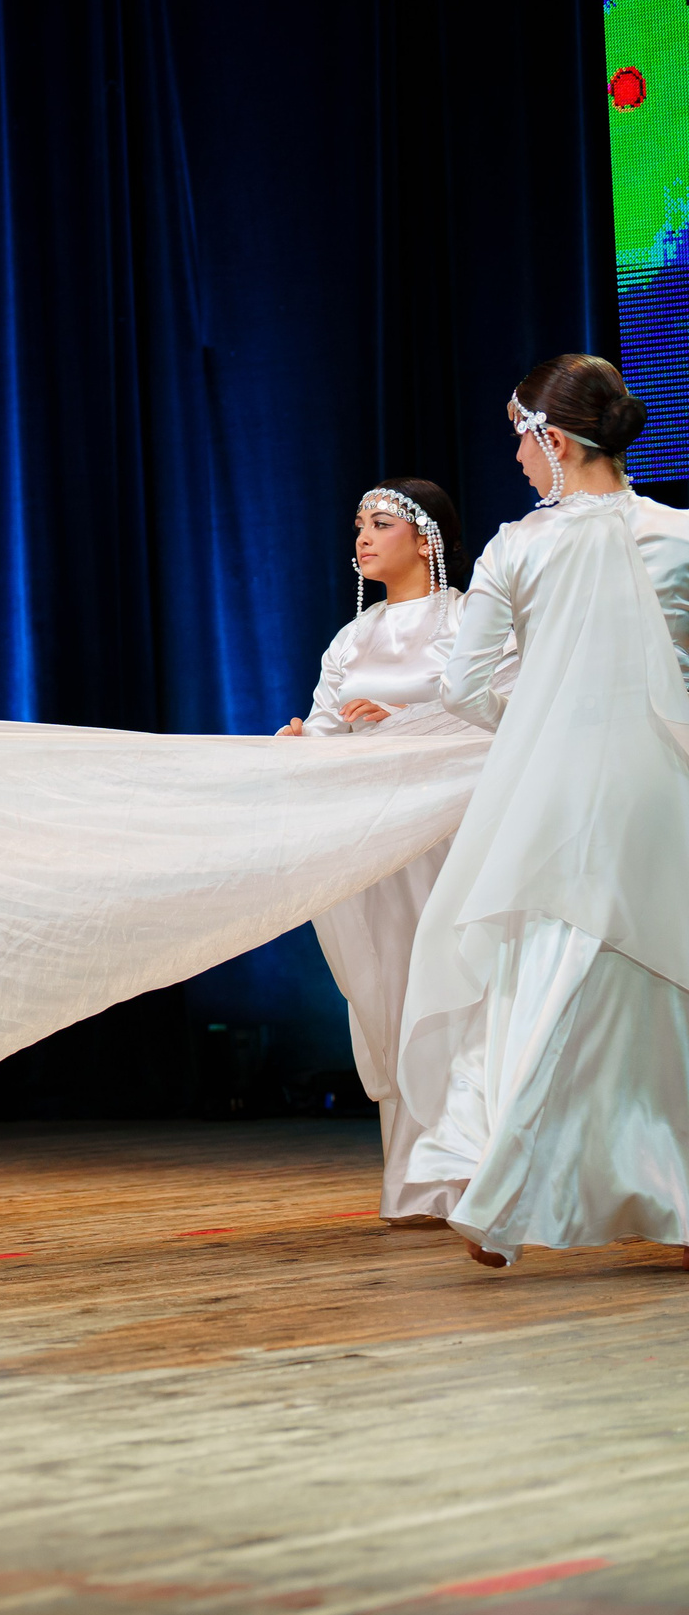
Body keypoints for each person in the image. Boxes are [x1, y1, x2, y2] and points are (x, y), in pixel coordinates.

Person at [395, 354, 689, 1268]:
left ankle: (510, 1182)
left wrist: (542, 722)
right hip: (663, 782)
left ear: (552, 439)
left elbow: (463, 682)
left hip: (561, 787)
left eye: (520, 439)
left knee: (554, 960)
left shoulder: (520, 546)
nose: (519, 460)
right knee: (658, 965)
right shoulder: (679, 535)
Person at [274, 478, 495, 1223]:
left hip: (447, 833)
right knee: (390, 991)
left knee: (457, 987)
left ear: (425, 536)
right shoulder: (353, 635)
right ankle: (414, 1177)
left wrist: (408, 719)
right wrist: (305, 742)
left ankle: (474, 1173)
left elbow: (502, 711)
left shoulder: (468, 620)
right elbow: (330, 723)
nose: (363, 538)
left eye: (380, 524)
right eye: (359, 524)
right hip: (376, 841)